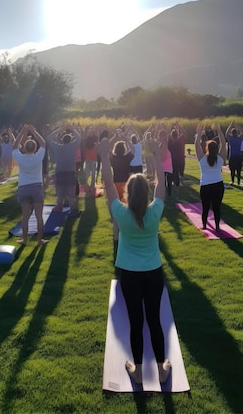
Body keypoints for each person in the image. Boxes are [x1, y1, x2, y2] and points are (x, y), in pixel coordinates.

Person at [98, 134, 171, 386]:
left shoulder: (119, 211)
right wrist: (154, 153)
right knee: (154, 321)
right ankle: (162, 369)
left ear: (127, 192)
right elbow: (162, 181)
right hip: (153, 273)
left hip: (129, 274)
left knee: (136, 322)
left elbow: (107, 181)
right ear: (147, 192)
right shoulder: (155, 211)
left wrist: (104, 153)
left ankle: (137, 370)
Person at [12, 124, 48, 246]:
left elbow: (14, 146)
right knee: (39, 216)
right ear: (35, 148)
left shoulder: (20, 157)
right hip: (36, 188)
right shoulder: (38, 156)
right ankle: (39, 241)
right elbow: (43, 143)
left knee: (25, 216)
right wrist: (34, 131)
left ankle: (25, 240)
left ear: (25, 148)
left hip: (24, 188)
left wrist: (22, 131)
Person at [195, 123, 226, 231]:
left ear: (207, 148)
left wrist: (199, 133)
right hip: (218, 185)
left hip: (205, 186)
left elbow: (196, 145)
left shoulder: (202, 159)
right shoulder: (221, 158)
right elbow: (223, 143)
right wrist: (219, 130)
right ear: (217, 149)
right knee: (217, 208)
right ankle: (217, 227)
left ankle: (204, 226)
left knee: (205, 208)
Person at [47, 124, 82, 216]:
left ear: (62, 140)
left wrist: (60, 129)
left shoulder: (57, 147)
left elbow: (49, 138)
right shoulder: (73, 146)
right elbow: (79, 137)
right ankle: (72, 211)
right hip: (71, 174)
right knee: (71, 196)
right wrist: (72, 129)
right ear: (71, 140)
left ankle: (59, 208)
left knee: (60, 196)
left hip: (60, 174)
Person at [225, 121, 243, 185]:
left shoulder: (231, 139)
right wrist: (237, 126)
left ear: (232, 133)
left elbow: (226, 133)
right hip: (239, 156)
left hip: (232, 156)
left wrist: (231, 125)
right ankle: (238, 182)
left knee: (232, 170)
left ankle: (232, 181)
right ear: (236, 133)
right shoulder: (239, 139)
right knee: (239, 170)